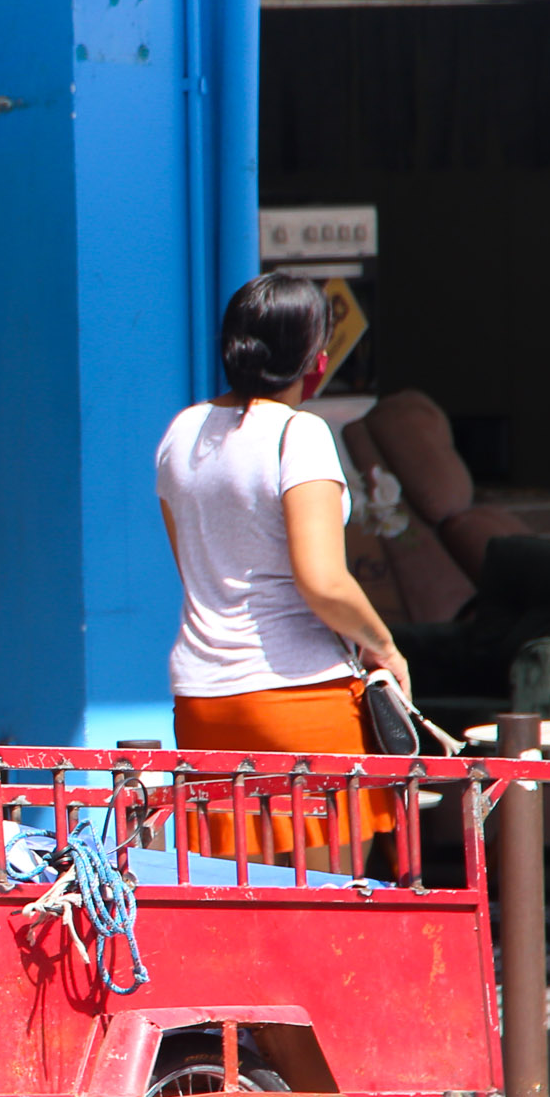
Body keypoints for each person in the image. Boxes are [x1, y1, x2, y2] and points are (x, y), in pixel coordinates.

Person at [157, 272, 406, 878]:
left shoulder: (181, 434)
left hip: (203, 702)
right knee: (330, 903)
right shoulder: (300, 434)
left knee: (240, 900)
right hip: (301, 699)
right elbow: (322, 580)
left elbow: (196, 567)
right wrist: (385, 648)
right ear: (315, 361)